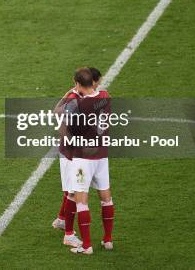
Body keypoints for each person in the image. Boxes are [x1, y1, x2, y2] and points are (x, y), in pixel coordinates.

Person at [62, 68, 115, 255]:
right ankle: (107, 240)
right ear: (93, 82)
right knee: (106, 197)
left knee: (81, 200)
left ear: (77, 84)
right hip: (101, 155)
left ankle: (86, 245)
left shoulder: (78, 105)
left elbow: (66, 125)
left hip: (83, 159)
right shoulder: (105, 95)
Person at [52, 67, 103, 245]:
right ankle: (69, 235)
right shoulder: (75, 99)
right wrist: (71, 141)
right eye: (97, 82)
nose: (98, 86)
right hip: (71, 153)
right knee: (73, 192)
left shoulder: (84, 96)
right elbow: (58, 116)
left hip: (74, 151)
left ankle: (61, 220)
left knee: (70, 190)